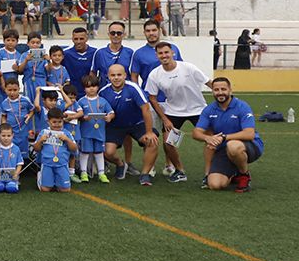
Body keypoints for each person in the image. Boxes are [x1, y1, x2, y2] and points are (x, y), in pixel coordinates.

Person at [145, 42, 211, 184]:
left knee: (211, 139)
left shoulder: (188, 67)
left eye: (166, 52)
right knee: (169, 143)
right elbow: (152, 98)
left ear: (173, 53)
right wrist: (165, 119)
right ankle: (180, 171)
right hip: (174, 112)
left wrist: (225, 95)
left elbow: (209, 82)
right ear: (157, 55)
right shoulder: (155, 74)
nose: (164, 55)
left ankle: (209, 173)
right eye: (160, 53)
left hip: (198, 110)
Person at [193, 77, 263, 192]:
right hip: (223, 148)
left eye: (223, 89)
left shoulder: (242, 106)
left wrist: (224, 137)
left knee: (233, 146)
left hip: (249, 146)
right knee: (215, 185)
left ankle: (244, 175)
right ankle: (231, 172)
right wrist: (208, 138)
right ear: (212, 91)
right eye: (216, 90)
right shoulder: (209, 109)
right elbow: (196, 132)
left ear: (230, 90)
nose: (220, 92)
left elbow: (249, 134)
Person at [99, 64, 158, 185]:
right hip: (115, 126)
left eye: (119, 75)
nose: (116, 78)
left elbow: (145, 109)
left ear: (125, 75)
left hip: (136, 123)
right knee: (107, 152)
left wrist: (149, 132)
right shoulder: (103, 92)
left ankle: (145, 174)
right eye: (113, 75)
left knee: (152, 141)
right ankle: (121, 164)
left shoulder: (133, 88)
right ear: (108, 77)